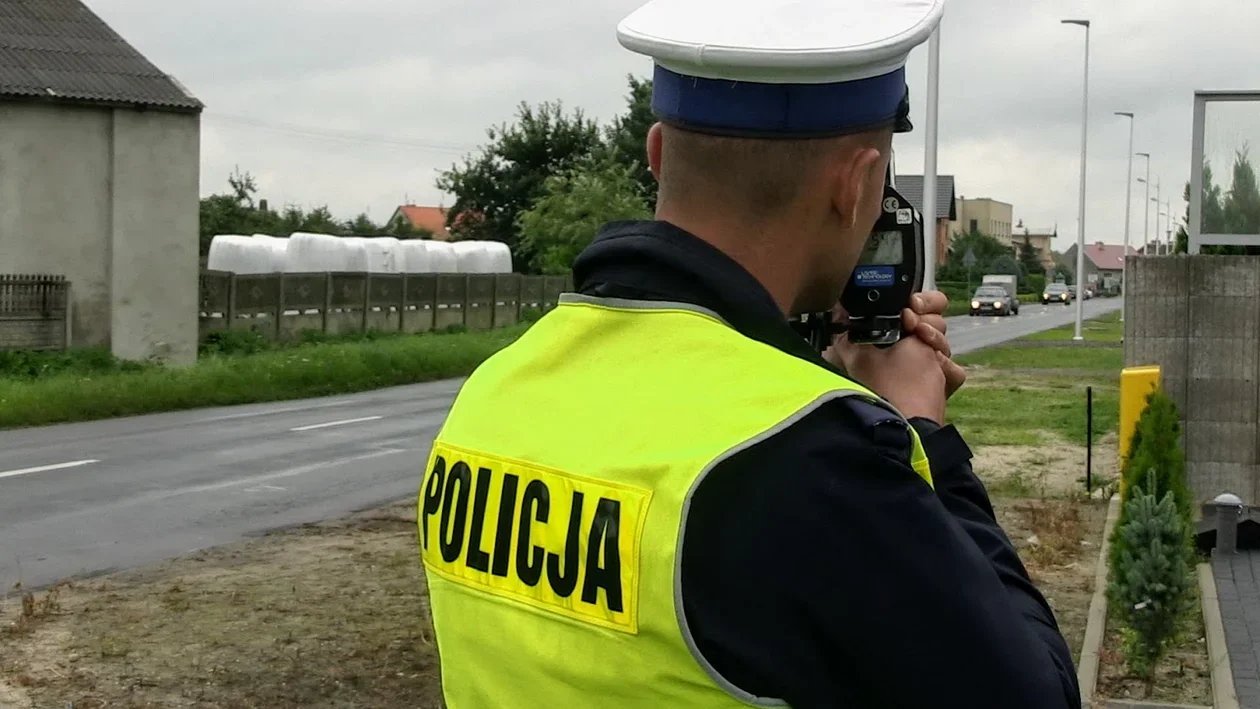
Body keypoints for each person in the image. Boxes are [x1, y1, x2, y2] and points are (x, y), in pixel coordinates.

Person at [417, 0, 1081, 706]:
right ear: (855, 188)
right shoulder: (817, 461)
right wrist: (925, 434)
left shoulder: (489, 397)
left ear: (658, 154)